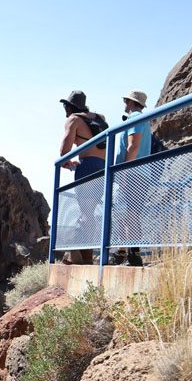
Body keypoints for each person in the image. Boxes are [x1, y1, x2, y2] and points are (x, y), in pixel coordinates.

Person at [58, 90, 108, 264]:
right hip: (103, 168)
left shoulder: (74, 120)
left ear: (71, 106)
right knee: (89, 212)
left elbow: (64, 152)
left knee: (86, 213)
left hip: (86, 167)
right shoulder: (100, 118)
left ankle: (77, 255)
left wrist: (68, 163)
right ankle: (84, 255)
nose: (65, 109)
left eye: (66, 105)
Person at [111, 90, 152, 266]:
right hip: (140, 173)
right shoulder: (141, 119)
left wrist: (125, 172)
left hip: (133, 173)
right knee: (130, 213)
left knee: (131, 214)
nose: (124, 104)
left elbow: (132, 147)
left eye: (126, 101)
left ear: (130, 102)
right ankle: (129, 253)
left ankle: (134, 256)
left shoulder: (135, 117)